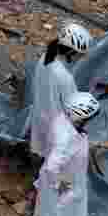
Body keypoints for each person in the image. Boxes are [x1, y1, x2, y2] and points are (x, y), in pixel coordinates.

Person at [33, 91, 100, 216]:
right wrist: (60, 186)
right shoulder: (66, 139)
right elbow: (51, 167)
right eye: (88, 118)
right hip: (58, 189)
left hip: (64, 185)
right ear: (80, 116)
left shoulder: (63, 121)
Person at [30, 22, 93, 161]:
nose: (80, 58)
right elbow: (73, 111)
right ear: (71, 52)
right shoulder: (64, 77)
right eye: (80, 55)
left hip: (40, 117)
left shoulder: (45, 58)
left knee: (43, 150)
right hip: (56, 126)